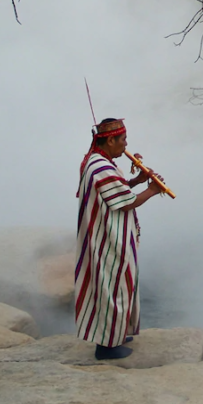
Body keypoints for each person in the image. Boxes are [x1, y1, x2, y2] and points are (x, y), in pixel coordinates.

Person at [74, 117, 163, 360]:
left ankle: (117, 333)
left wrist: (137, 181)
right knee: (112, 288)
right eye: (122, 139)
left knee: (120, 284)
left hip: (111, 234)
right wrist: (152, 190)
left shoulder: (99, 161)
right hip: (107, 238)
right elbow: (125, 202)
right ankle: (106, 346)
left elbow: (117, 190)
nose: (126, 145)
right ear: (110, 140)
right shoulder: (100, 167)